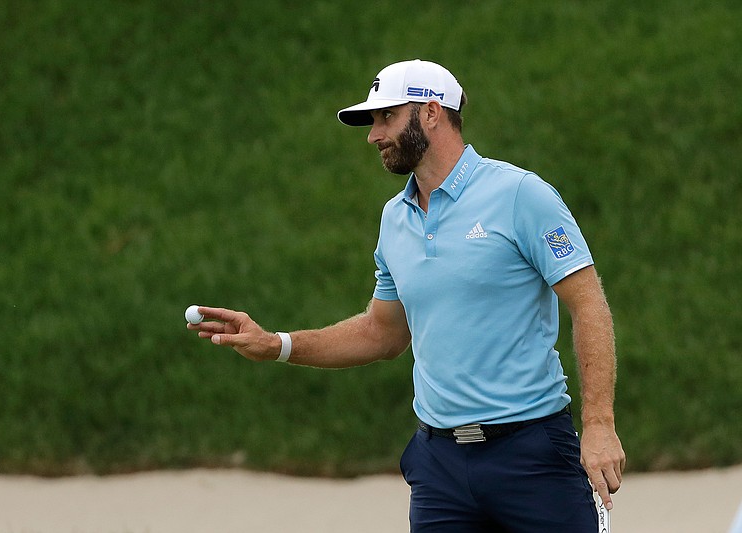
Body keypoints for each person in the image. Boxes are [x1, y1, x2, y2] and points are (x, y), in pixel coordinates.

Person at [188, 59, 625, 531]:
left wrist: (599, 423)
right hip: (440, 469)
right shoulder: (394, 219)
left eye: (386, 117)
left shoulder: (521, 195)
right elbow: (382, 333)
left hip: (531, 453)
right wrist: (278, 344)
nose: (373, 135)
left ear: (432, 113)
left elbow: (588, 303)